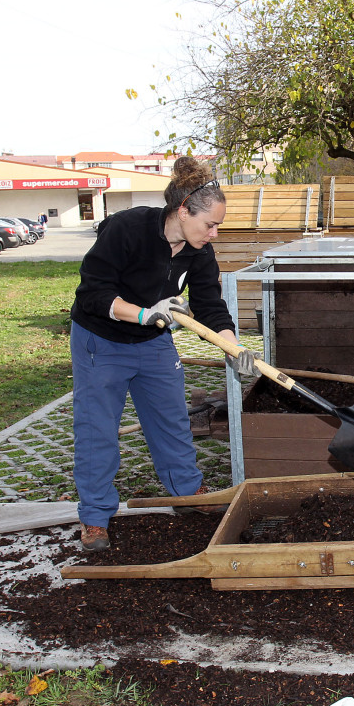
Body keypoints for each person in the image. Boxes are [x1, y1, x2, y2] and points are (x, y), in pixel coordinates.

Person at [68, 155, 259, 552]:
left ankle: (188, 495)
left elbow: (209, 305)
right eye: (211, 224)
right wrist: (143, 313)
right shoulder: (127, 229)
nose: (215, 234)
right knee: (97, 430)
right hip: (101, 340)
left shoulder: (199, 251)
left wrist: (232, 346)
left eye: (218, 226)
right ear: (183, 211)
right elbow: (92, 294)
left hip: (152, 343)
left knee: (171, 421)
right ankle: (95, 517)